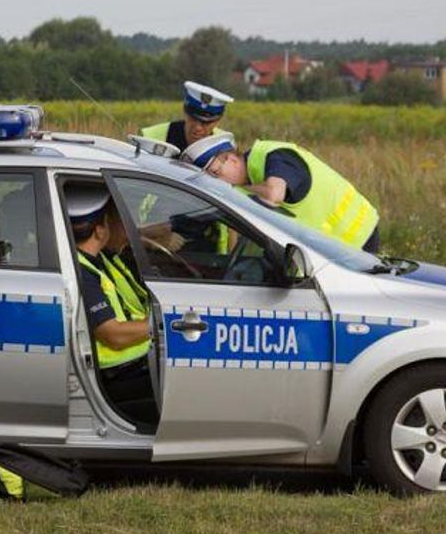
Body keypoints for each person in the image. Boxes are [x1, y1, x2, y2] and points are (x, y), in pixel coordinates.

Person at [182, 133, 381, 253]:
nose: (217, 181)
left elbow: (273, 195)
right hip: (332, 250)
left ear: (232, 160)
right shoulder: (251, 179)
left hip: (357, 238)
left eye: (216, 173)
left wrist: (235, 190)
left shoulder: (273, 156)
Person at [67, 185, 158, 429]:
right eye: (115, 220)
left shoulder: (103, 258)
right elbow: (113, 335)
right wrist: (163, 327)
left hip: (139, 362)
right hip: (118, 376)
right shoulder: (83, 273)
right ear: (99, 230)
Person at [140, 81, 234, 150]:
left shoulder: (225, 145)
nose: (197, 128)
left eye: (206, 123)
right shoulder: (151, 137)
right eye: (193, 118)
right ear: (185, 112)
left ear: (217, 121)